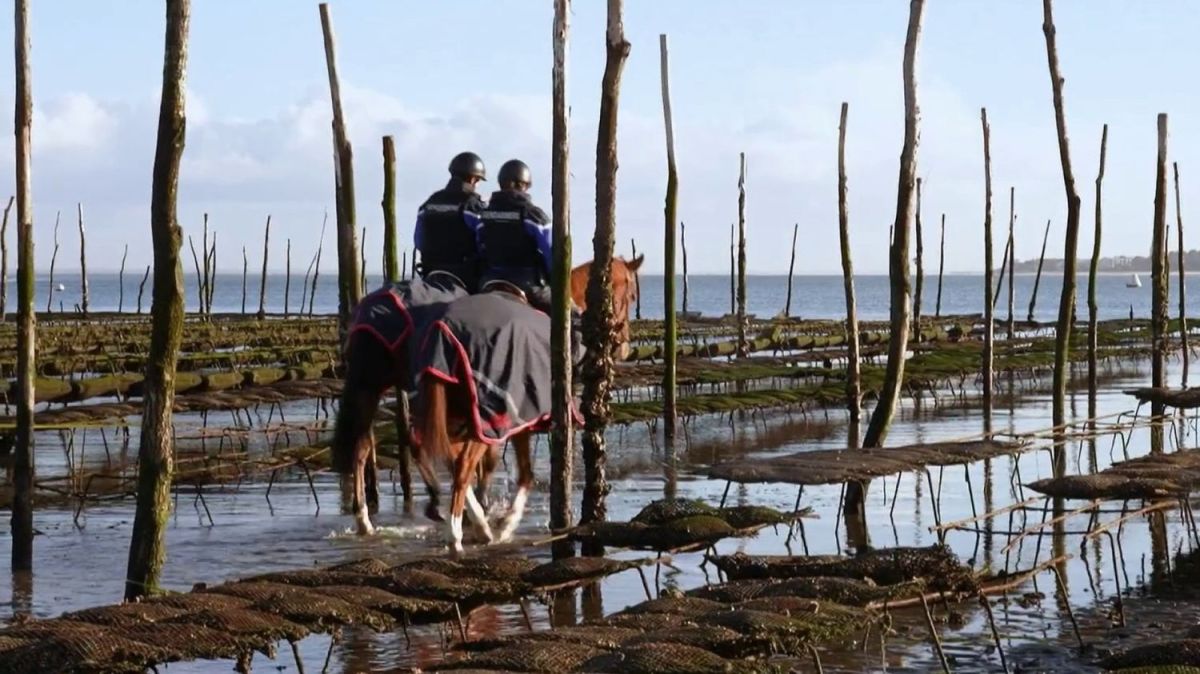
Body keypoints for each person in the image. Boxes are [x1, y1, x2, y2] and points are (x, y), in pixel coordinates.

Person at [477, 159, 554, 310]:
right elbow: (551, 253)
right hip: (527, 284)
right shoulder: (533, 216)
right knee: (574, 317)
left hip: (489, 281)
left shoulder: (483, 215)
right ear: (523, 185)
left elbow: (480, 248)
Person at [413, 152, 487, 291]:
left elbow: (418, 241)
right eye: (478, 181)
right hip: (466, 277)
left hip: (430, 272)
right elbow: (485, 242)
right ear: (472, 179)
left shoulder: (429, 204)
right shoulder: (471, 206)